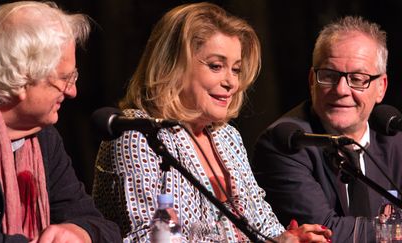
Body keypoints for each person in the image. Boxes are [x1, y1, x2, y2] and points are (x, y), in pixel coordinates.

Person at [92, 2, 332, 242]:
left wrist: (287, 239)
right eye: (216, 66)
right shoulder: (137, 134)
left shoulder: (226, 136)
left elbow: (262, 226)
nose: (232, 83)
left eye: (236, 69)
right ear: (174, 65)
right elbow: (147, 238)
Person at [0, 1, 121, 242]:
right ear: (19, 78)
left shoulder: (43, 137)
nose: (72, 92)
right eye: (64, 78)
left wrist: (79, 233)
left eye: (74, 76)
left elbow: (99, 224)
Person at [253, 16, 402, 242]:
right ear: (312, 80)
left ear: (381, 87)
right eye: (330, 76)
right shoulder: (286, 142)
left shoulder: (393, 135)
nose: (341, 89)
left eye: (358, 78)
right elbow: (326, 232)